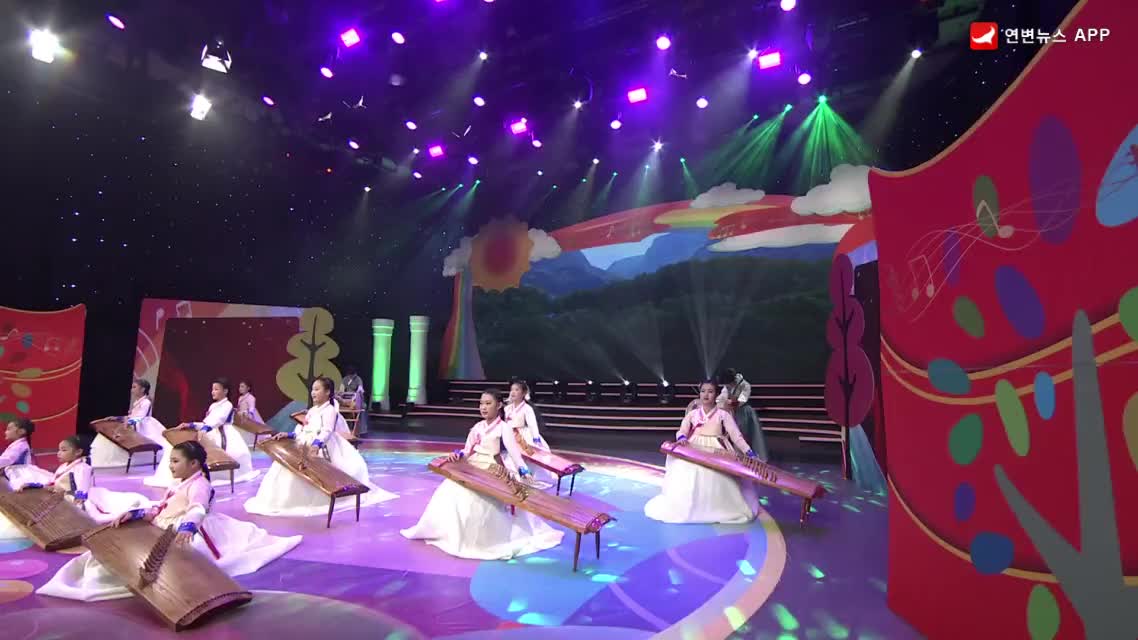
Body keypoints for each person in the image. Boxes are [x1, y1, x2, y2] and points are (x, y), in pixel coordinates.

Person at [37, 440, 302, 602]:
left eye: (175, 461)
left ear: (194, 464)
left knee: (171, 564)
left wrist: (188, 526)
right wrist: (137, 514)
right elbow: (161, 508)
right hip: (166, 524)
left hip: (190, 529)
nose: (171, 466)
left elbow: (197, 508)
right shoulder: (179, 483)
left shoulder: (199, 485)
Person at [400, 389, 564, 560]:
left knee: (476, 501)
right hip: (473, 467)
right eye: (481, 404)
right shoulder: (477, 427)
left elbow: (515, 455)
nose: (483, 407)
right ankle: (445, 533)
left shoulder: (504, 428)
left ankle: (476, 541)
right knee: (449, 490)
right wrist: (457, 454)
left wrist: (524, 472)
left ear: (498, 405)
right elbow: (467, 450)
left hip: (492, 470)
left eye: (488, 403)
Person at [244, 377, 397, 517]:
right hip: (304, 443)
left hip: (322, 445)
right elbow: (303, 430)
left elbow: (327, 431)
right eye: (312, 389)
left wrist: (316, 444)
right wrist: (288, 434)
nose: (313, 393)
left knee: (315, 471)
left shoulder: (329, 410)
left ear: (327, 392)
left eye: (317, 389)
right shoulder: (312, 410)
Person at [644, 380, 760, 524]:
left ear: (716, 395)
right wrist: (682, 438)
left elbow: (736, 436)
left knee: (720, 476)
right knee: (684, 470)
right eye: (703, 391)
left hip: (717, 450)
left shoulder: (723, 414)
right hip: (694, 448)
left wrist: (749, 452)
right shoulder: (693, 414)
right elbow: (682, 430)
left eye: (710, 391)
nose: (706, 395)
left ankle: (718, 509)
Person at [2, 435, 149, 540]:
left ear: (78, 452)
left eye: (64, 450)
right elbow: (53, 482)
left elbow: (82, 489)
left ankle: (131, 514)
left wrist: (77, 503)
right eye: (59, 450)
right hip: (65, 496)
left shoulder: (83, 467)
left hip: (83, 498)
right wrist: (34, 485)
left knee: (94, 519)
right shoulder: (63, 466)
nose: (59, 453)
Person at [144, 378, 259, 488]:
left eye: (216, 389)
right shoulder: (213, 405)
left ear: (225, 391)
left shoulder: (227, 405)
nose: (213, 392)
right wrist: (191, 425)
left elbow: (218, 420)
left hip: (222, 435)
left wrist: (204, 429)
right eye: (212, 389)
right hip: (209, 432)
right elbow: (206, 423)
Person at [91, 378, 167, 468]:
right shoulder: (138, 402)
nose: (132, 390)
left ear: (142, 389)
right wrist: (118, 418)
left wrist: (126, 421)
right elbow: (132, 416)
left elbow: (139, 418)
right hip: (134, 423)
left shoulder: (146, 402)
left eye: (134, 387)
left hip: (143, 426)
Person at [503, 380, 554, 487]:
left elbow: (532, 425)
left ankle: (531, 478)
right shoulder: (507, 408)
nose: (513, 392)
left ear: (523, 393)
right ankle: (516, 478)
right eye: (512, 390)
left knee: (528, 457)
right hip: (512, 436)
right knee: (512, 457)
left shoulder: (527, 408)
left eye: (517, 390)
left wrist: (536, 438)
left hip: (524, 436)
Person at [718, 368, 768, 462]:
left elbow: (743, 399)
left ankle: (751, 456)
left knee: (744, 434)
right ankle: (739, 456)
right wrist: (718, 401)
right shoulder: (727, 386)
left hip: (745, 412)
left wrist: (732, 402)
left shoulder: (745, 385)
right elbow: (722, 396)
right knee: (735, 433)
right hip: (734, 412)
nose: (728, 385)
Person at [338, 366, 368, 435]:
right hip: (346, 398)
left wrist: (357, 394)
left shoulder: (358, 379)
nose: (351, 376)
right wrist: (341, 393)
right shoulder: (345, 379)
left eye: (352, 375)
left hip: (355, 399)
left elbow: (360, 389)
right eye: (350, 375)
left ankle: (359, 429)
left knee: (358, 407)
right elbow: (341, 390)